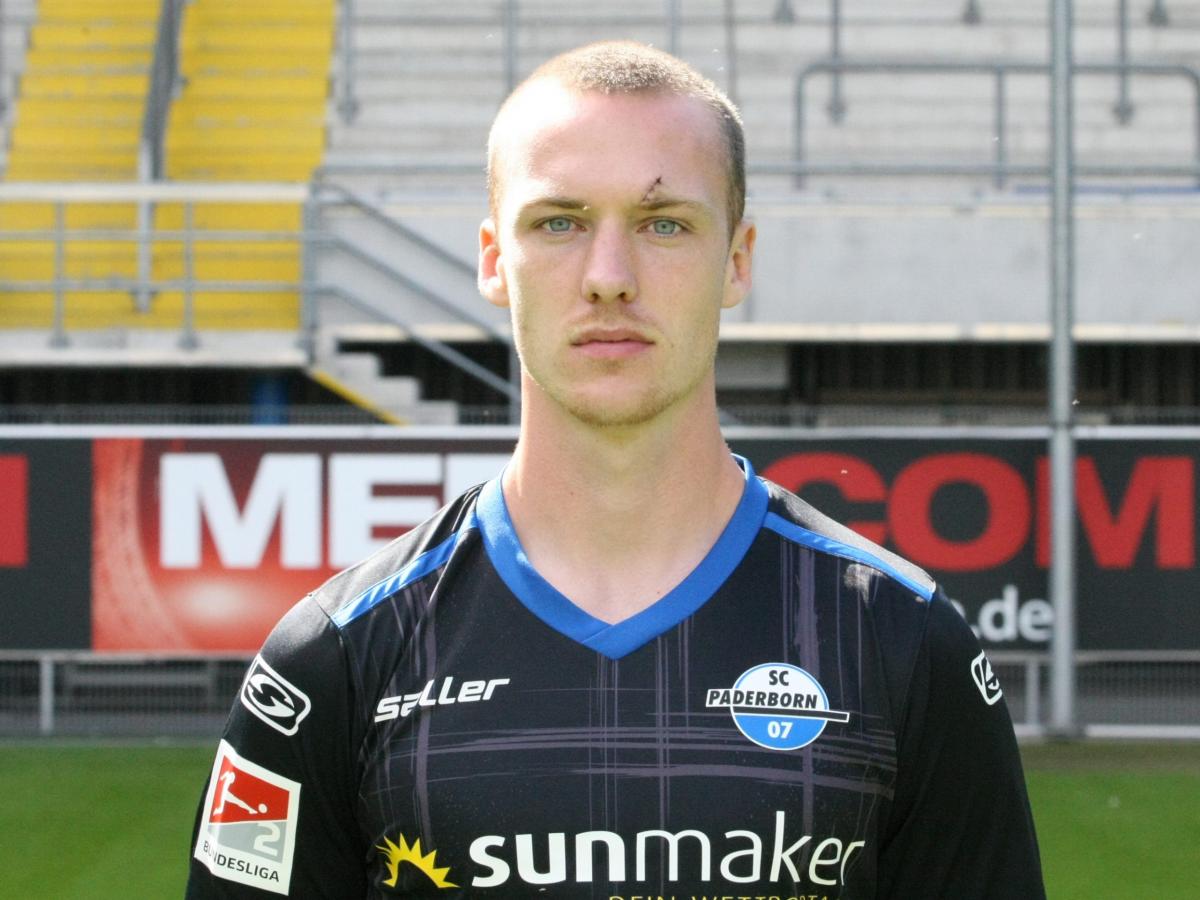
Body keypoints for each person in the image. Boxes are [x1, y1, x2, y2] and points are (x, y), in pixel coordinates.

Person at [187, 41, 1045, 898]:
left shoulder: (901, 642)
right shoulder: (330, 660)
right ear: (493, 259)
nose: (608, 278)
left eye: (663, 224)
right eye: (558, 222)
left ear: (737, 259)